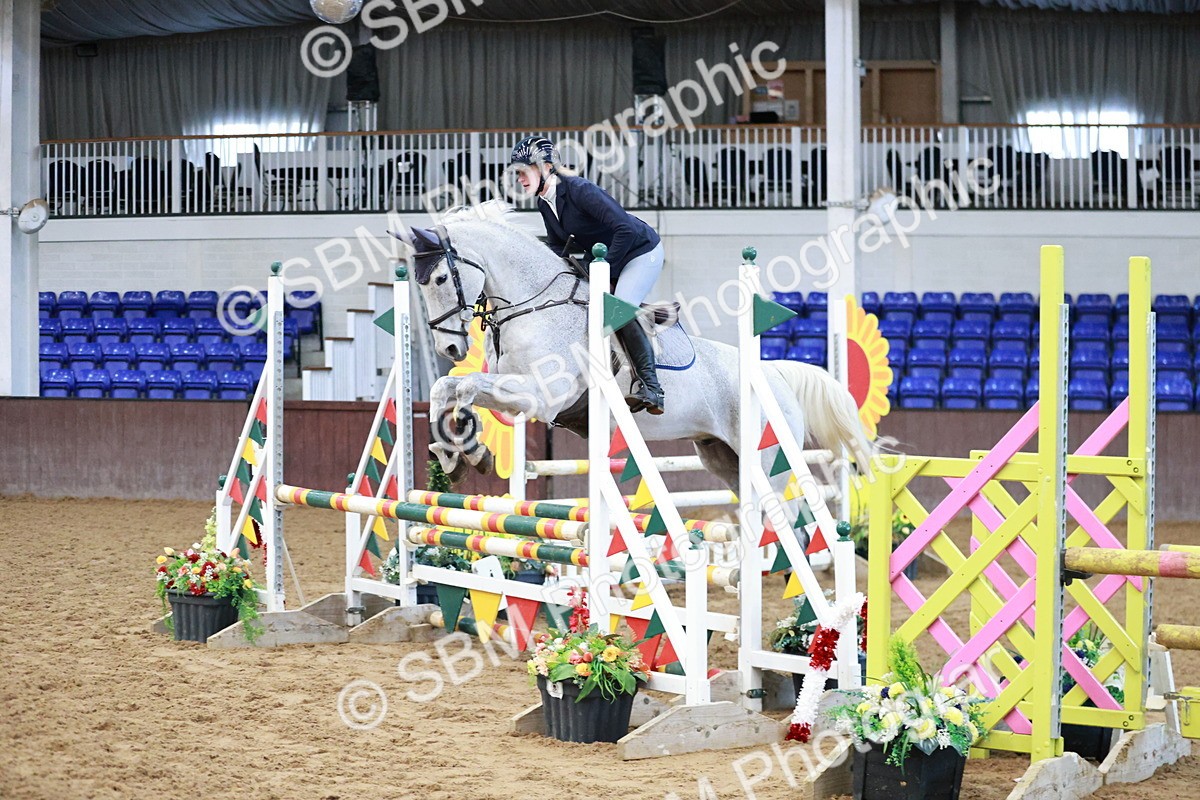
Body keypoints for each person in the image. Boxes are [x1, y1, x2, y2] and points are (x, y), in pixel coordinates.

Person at [509, 135, 666, 415]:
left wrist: (603, 272)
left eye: (523, 171)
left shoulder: (580, 189)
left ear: (545, 167)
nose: (519, 179)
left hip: (640, 252)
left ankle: (651, 387)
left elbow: (624, 229)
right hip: (605, 258)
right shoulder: (545, 202)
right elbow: (560, 246)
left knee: (617, 308)